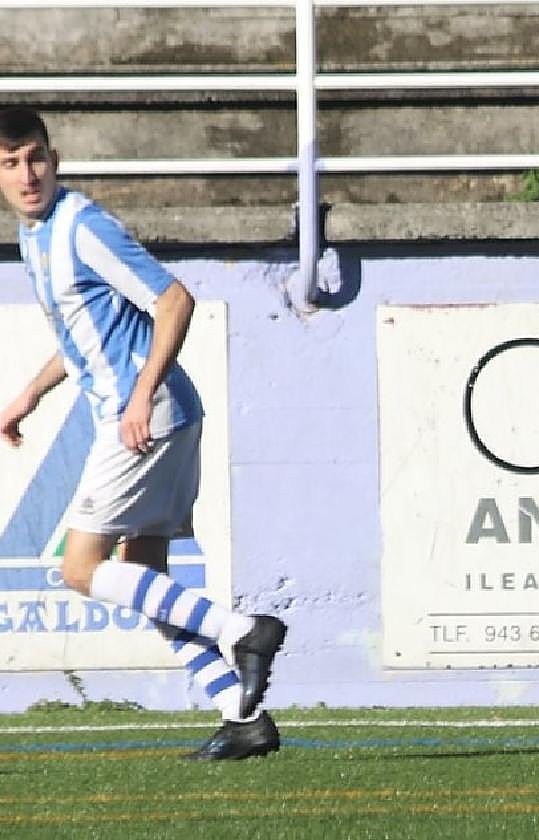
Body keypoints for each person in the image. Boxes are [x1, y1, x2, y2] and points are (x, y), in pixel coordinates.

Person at [0, 106, 286, 760]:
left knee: (79, 568)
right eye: (10, 163)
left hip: (145, 418)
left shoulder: (81, 226)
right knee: (144, 575)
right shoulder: (35, 237)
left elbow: (173, 300)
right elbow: (81, 336)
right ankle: (242, 716)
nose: (27, 174)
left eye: (35, 157)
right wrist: (27, 397)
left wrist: (138, 393)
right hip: (163, 413)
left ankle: (244, 630)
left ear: (56, 158)